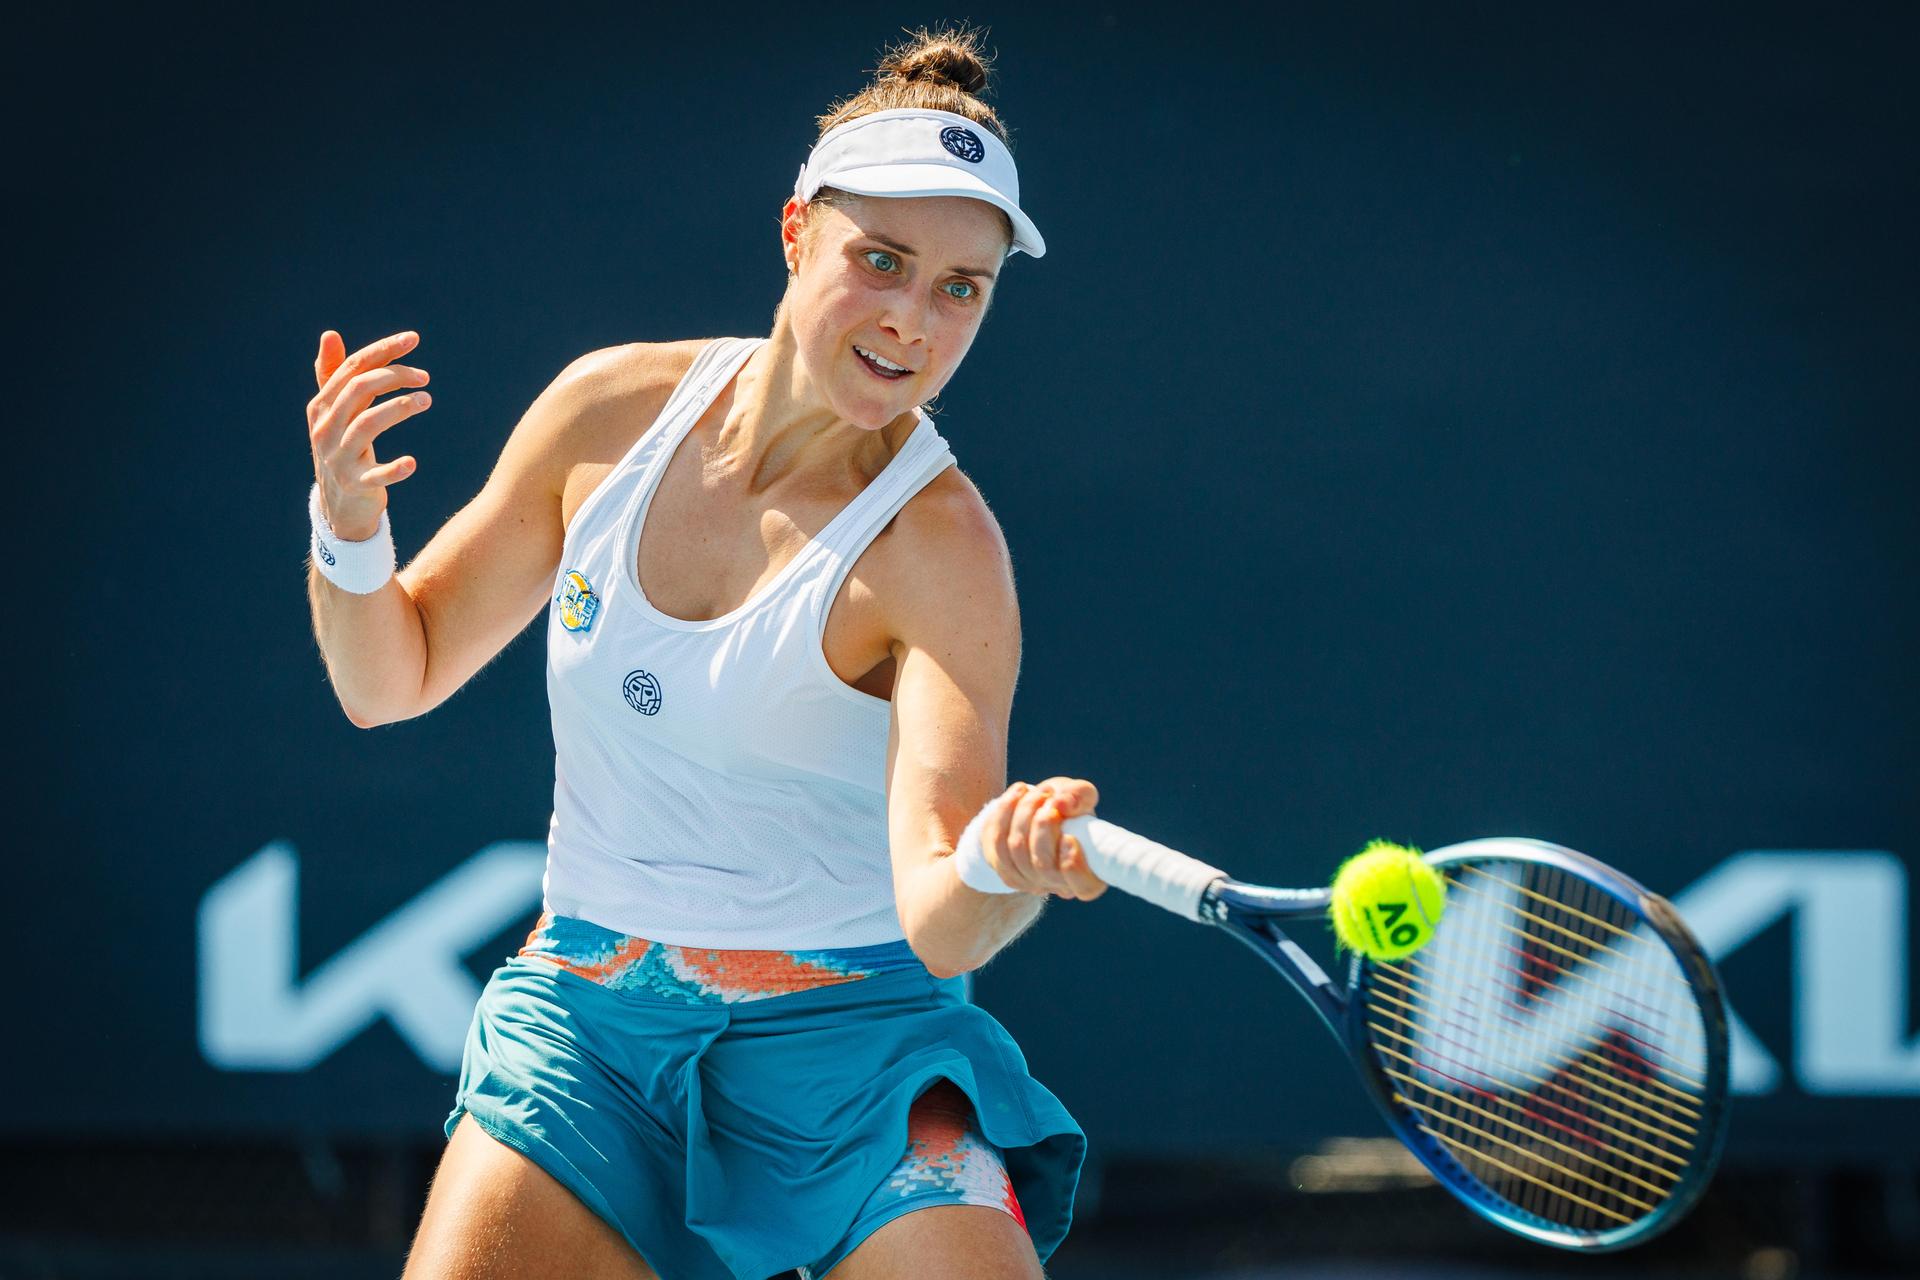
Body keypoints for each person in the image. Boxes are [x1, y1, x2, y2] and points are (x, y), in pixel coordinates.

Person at [303, 23, 1105, 1280]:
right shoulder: (606, 412)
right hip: (591, 1028)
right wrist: (348, 533)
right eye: (881, 261)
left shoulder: (943, 552)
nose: (914, 320)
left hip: (856, 1055)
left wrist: (1003, 866)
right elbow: (386, 675)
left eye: (962, 287)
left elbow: (943, 918)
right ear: (796, 235)